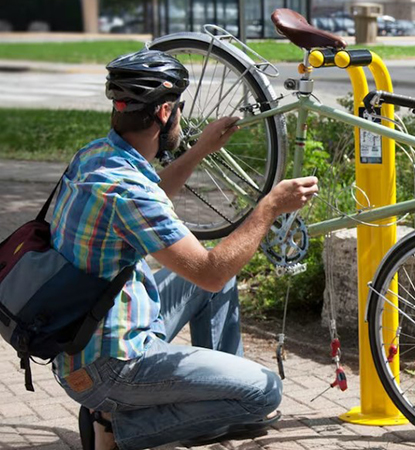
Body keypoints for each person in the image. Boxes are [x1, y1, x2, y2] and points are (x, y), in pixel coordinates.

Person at [50, 49, 318, 450]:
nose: (181, 116)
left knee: (215, 288)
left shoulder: (96, 157)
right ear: (163, 113)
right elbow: (210, 270)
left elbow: (151, 200)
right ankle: (115, 426)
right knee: (263, 392)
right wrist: (270, 207)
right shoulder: (128, 192)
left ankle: (211, 390)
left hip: (85, 342)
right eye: (179, 107)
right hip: (109, 366)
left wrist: (199, 150)